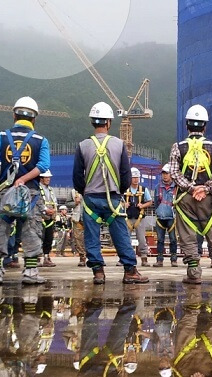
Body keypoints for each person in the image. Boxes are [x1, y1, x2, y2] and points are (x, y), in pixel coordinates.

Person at [72, 101, 149, 284]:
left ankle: (98, 273)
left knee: (91, 236)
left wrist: (86, 192)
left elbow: (77, 176)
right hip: (112, 198)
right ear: (108, 122)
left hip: (91, 199)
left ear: (93, 122)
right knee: (121, 234)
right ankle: (130, 271)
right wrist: (119, 192)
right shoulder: (119, 144)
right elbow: (125, 174)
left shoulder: (83, 145)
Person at [0, 96, 50, 285]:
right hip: (30, 194)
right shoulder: (41, 140)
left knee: (1, 230)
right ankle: (31, 273)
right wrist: (24, 179)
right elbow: (43, 165)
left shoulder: (2, 137)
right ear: (34, 118)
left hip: (6, 193)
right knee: (31, 231)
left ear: (14, 115)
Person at [169, 104, 212, 284]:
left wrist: (191, 188)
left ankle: (193, 273)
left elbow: (175, 173)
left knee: (187, 233)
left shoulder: (178, 147)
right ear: (205, 126)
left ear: (187, 125)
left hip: (185, 198)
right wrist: (205, 189)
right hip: (207, 199)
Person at [124, 167, 153, 267]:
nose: (136, 179)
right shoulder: (124, 189)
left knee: (141, 239)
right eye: (134, 177)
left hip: (139, 218)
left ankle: (144, 258)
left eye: (137, 177)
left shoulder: (144, 190)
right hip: (127, 218)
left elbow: (150, 202)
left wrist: (142, 205)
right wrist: (124, 205)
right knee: (125, 239)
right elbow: (118, 201)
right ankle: (124, 258)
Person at [153, 163, 179, 267]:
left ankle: (174, 259)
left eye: (167, 173)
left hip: (171, 218)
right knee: (160, 240)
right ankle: (159, 260)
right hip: (160, 218)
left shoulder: (176, 188)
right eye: (163, 173)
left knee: (173, 239)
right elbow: (156, 202)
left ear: (171, 174)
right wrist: (158, 211)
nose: (165, 175)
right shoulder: (158, 187)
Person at [37, 170, 58, 267]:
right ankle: (36, 258)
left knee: (49, 238)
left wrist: (54, 210)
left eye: (49, 177)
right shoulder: (37, 189)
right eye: (46, 177)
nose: (48, 179)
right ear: (41, 178)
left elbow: (55, 202)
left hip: (49, 218)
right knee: (38, 238)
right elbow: (37, 202)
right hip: (40, 217)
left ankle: (46, 257)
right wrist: (45, 210)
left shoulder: (51, 190)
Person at [68, 191, 87, 266]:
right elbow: (68, 204)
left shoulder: (92, 188)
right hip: (77, 218)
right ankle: (82, 257)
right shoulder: (73, 192)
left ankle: (94, 257)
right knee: (78, 239)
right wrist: (75, 203)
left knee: (92, 238)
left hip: (91, 218)